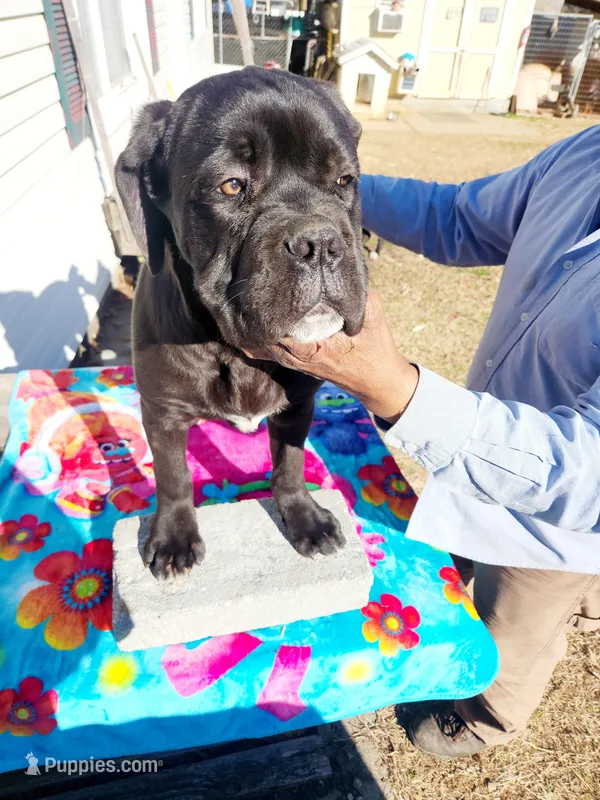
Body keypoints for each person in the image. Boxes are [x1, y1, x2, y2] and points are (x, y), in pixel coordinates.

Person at [245, 127, 600, 759]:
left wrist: (396, 391)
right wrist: (331, 184)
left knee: (515, 625)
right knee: (448, 571)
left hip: (554, 531)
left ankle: (486, 715)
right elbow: (459, 217)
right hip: (473, 446)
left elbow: (585, 473)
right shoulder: (588, 151)